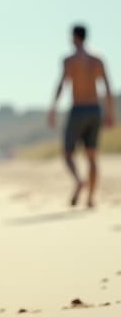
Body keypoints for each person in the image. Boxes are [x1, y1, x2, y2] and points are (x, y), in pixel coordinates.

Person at [48, 24, 115, 208]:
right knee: (92, 156)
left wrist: (53, 108)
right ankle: (91, 198)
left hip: (78, 109)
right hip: (95, 109)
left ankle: (79, 181)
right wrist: (110, 113)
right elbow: (108, 87)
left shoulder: (70, 60)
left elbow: (62, 85)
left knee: (68, 153)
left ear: (74, 37)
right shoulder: (97, 59)